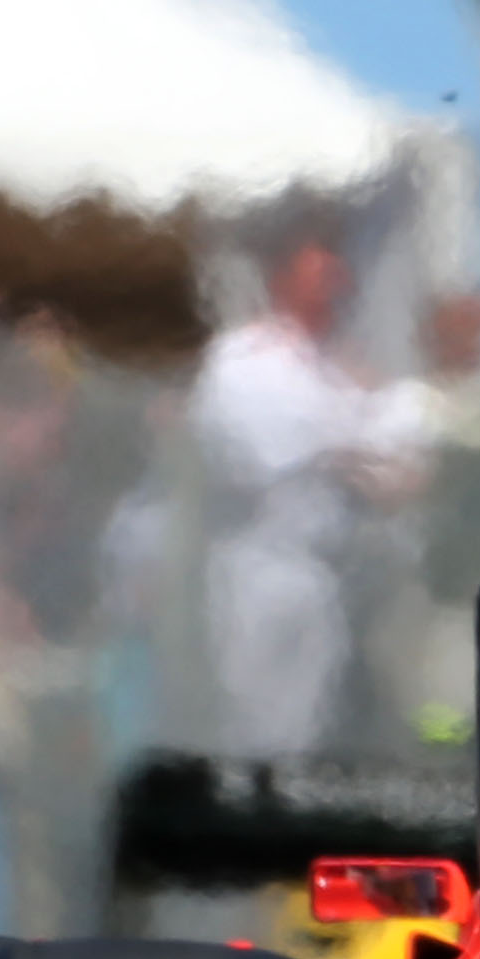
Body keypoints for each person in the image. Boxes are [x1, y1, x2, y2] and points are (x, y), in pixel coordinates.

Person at [188, 233, 431, 764]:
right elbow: (266, 453)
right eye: (318, 276)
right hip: (258, 563)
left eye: (336, 277)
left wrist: (357, 450)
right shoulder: (245, 358)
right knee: (248, 722)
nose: (333, 290)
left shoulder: (332, 370)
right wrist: (346, 453)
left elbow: (394, 452)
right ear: (284, 279)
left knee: (304, 727)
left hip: (323, 572)